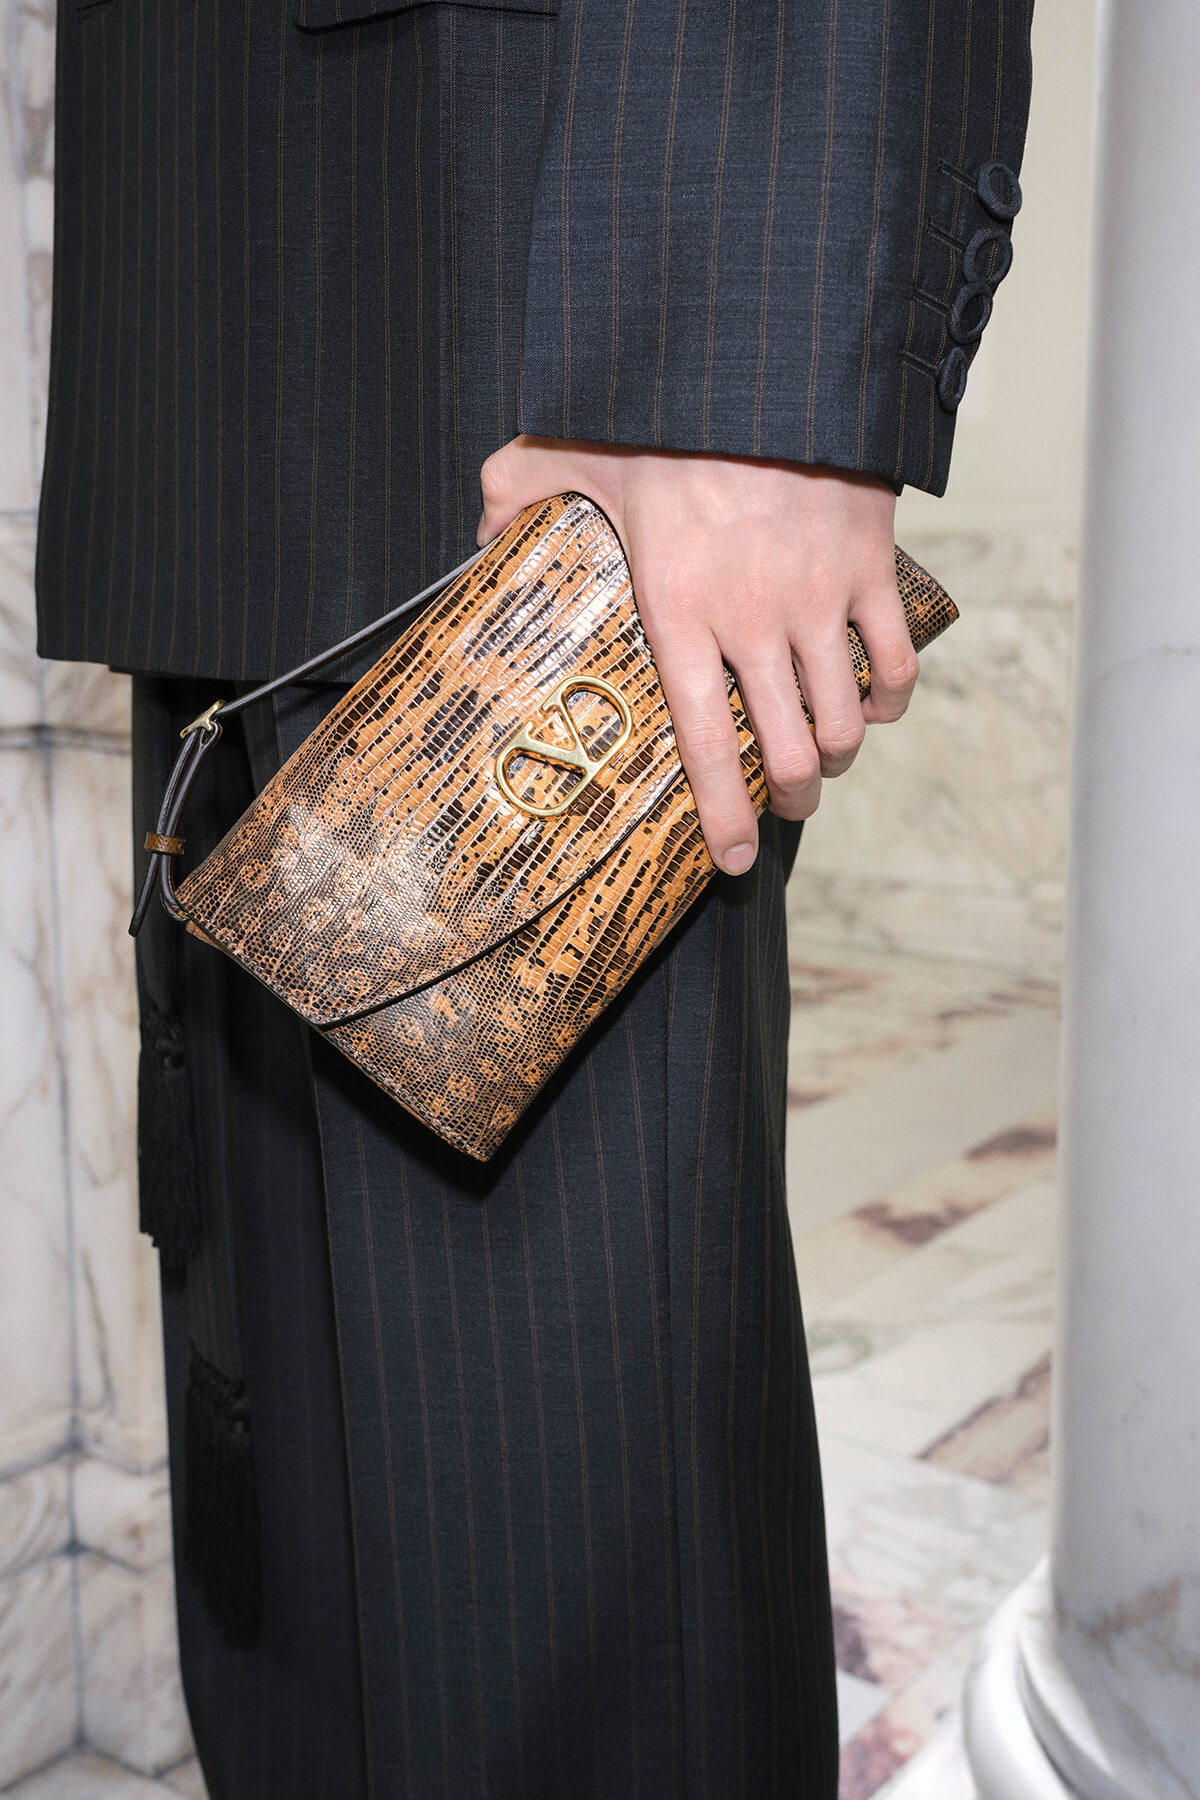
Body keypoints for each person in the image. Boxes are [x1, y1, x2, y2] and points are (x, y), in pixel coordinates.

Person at [36, 0, 1033, 1792]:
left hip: (548, 340)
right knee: (297, 1607)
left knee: (568, 1629)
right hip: (215, 326)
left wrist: (754, 356)